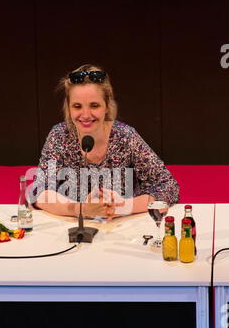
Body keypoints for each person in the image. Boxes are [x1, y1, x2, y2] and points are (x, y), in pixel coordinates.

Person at [32, 64, 179, 220]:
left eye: (94, 105)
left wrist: (122, 207)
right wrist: (82, 209)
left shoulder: (125, 136)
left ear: (107, 105)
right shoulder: (59, 136)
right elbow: (39, 191)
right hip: (72, 227)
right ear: (68, 107)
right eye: (77, 106)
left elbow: (168, 187)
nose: (86, 115)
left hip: (122, 230)